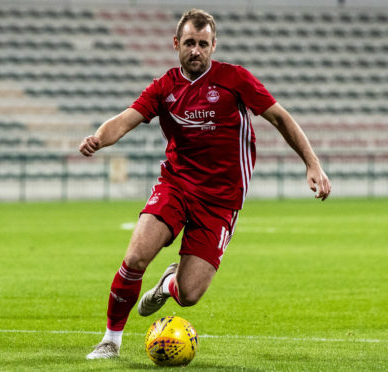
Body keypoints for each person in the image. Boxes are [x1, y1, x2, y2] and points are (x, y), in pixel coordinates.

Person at [79, 8, 331, 359]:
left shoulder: (235, 79)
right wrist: (98, 139)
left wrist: (312, 163)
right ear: (176, 44)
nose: (195, 50)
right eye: (189, 43)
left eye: (202, 43)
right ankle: (110, 341)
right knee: (135, 257)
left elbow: (280, 117)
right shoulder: (165, 87)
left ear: (213, 46)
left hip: (221, 200)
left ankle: (169, 282)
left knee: (190, 293)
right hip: (177, 185)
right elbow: (125, 119)